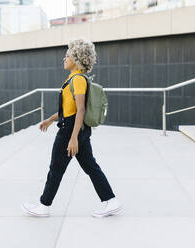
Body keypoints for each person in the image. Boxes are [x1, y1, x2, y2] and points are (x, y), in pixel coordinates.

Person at [21, 38, 122, 218]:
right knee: (90, 166)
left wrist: (73, 137)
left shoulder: (78, 80)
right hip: (76, 128)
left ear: (76, 58)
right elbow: (69, 110)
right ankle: (111, 201)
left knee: (56, 168)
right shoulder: (73, 79)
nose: (64, 59)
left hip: (71, 130)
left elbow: (80, 110)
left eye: (67, 56)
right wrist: (50, 120)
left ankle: (44, 206)